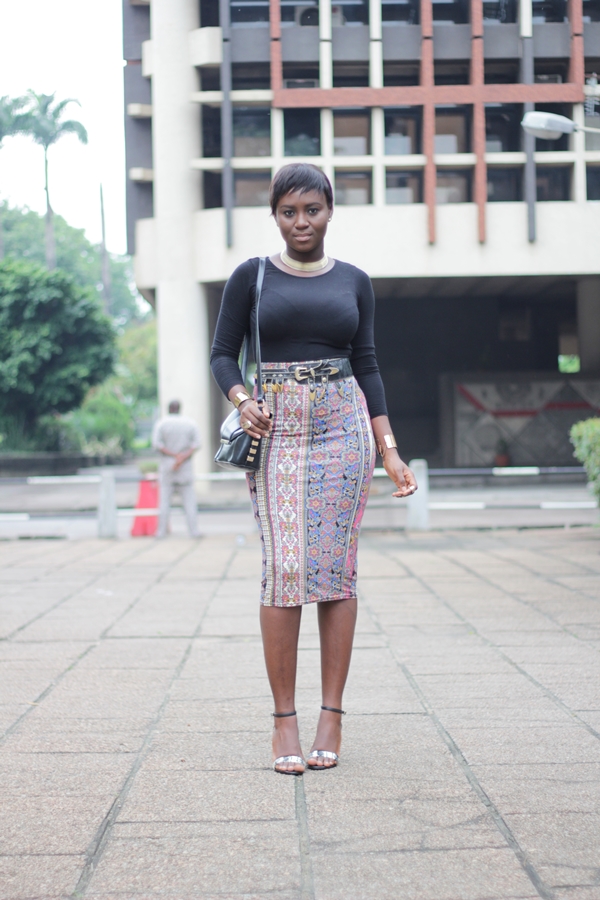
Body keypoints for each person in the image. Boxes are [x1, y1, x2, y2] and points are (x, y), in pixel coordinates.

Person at [210, 163, 417, 775]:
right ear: (275, 216)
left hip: (343, 428)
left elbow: (367, 364)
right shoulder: (251, 277)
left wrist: (388, 448)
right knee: (286, 566)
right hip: (275, 428)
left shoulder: (355, 281)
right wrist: (241, 399)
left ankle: (332, 715)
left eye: (312, 210)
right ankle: (284, 719)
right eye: (288, 212)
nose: (301, 222)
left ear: (330, 211)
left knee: (335, 568)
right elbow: (222, 355)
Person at [152, 400, 201, 539]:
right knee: (189, 502)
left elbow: (157, 445)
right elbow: (196, 444)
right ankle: (194, 531)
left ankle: (161, 532)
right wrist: (181, 457)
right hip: (185, 466)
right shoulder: (190, 423)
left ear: (168, 409)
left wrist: (174, 456)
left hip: (167, 466)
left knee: (164, 503)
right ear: (180, 408)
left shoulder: (161, 424)